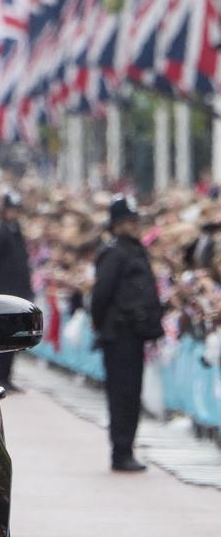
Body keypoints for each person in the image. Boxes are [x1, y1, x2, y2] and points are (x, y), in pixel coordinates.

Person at [91, 196, 164, 473]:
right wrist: (103, 326)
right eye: (129, 221)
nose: (135, 226)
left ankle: (126, 447)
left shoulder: (134, 250)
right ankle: (121, 450)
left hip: (133, 334)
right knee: (122, 394)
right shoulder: (116, 253)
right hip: (120, 333)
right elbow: (101, 294)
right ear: (118, 224)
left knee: (131, 393)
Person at [0, 191, 32, 392]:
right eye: (11, 209)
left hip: (18, 292)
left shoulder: (16, 232)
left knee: (14, 337)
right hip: (3, 292)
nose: (14, 214)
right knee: (0, 336)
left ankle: (6, 375)